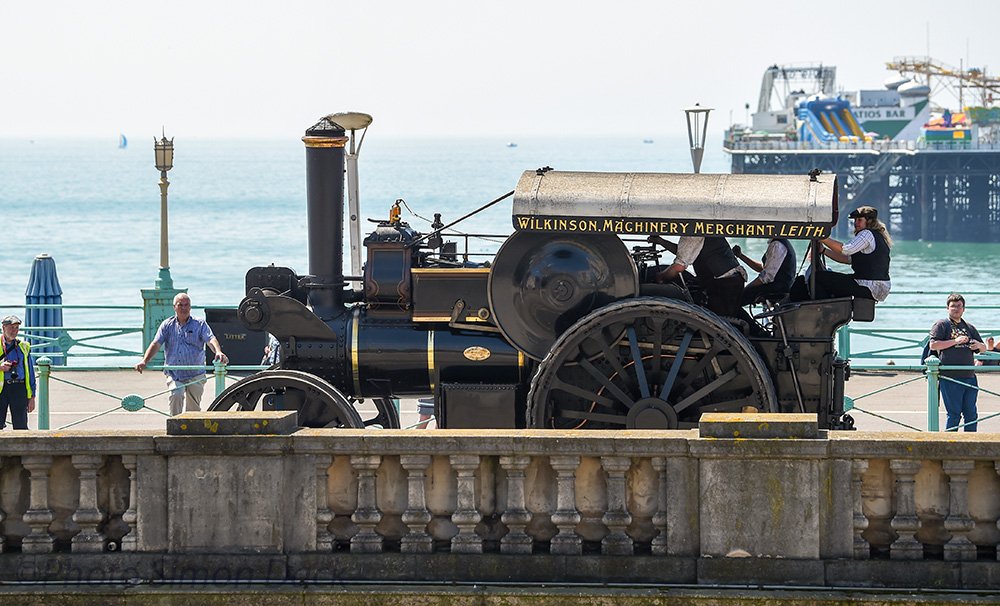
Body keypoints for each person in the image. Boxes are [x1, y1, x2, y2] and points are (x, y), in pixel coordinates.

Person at [135, 293, 228, 416]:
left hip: (196, 373)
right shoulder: (167, 325)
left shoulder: (199, 324)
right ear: (174, 307)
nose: (184, 308)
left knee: (193, 409)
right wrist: (144, 361)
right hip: (175, 373)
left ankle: (192, 432)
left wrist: (218, 351)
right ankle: (174, 425)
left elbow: (211, 339)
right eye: (180, 305)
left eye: (187, 305)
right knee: (176, 394)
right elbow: (156, 344)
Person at [789, 206, 891, 302]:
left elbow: (846, 249)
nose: (856, 223)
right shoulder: (877, 237)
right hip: (877, 287)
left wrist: (822, 237)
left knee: (818, 278)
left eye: (860, 220)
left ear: (869, 221)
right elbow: (847, 259)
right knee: (833, 282)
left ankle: (824, 311)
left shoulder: (866, 234)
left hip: (869, 285)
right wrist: (824, 251)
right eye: (855, 220)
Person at [648, 235, 747, 318]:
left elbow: (679, 267)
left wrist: (661, 276)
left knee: (717, 319)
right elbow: (685, 252)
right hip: (731, 279)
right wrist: (660, 241)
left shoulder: (693, 231)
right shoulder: (702, 227)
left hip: (723, 284)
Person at [929, 293, 987, 431]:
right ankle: (949, 447)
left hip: (969, 376)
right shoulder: (942, 325)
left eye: (959, 306)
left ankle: (971, 444)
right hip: (950, 376)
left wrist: (978, 345)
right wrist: (955, 341)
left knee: (971, 414)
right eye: (953, 306)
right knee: (954, 414)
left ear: (964, 309)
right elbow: (933, 345)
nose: (956, 309)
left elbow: (983, 348)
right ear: (947, 308)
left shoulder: (969, 327)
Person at [733, 238, 797, 305]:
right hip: (781, 285)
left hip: (778, 288)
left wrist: (747, 288)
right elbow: (763, 269)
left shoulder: (777, 245)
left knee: (737, 298)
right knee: (740, 296)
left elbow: (767, 277)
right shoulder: (779, 243)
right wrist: (741, 256)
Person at [0, 315, 36, 430]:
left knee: (21, 426)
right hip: (2, 388)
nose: (14, 331)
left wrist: (32, 397)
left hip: (19, 387)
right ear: (3, 328)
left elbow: (30, 372)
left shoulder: (23, 346)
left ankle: (22, 448)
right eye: (11, 328)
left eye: (16, 328)